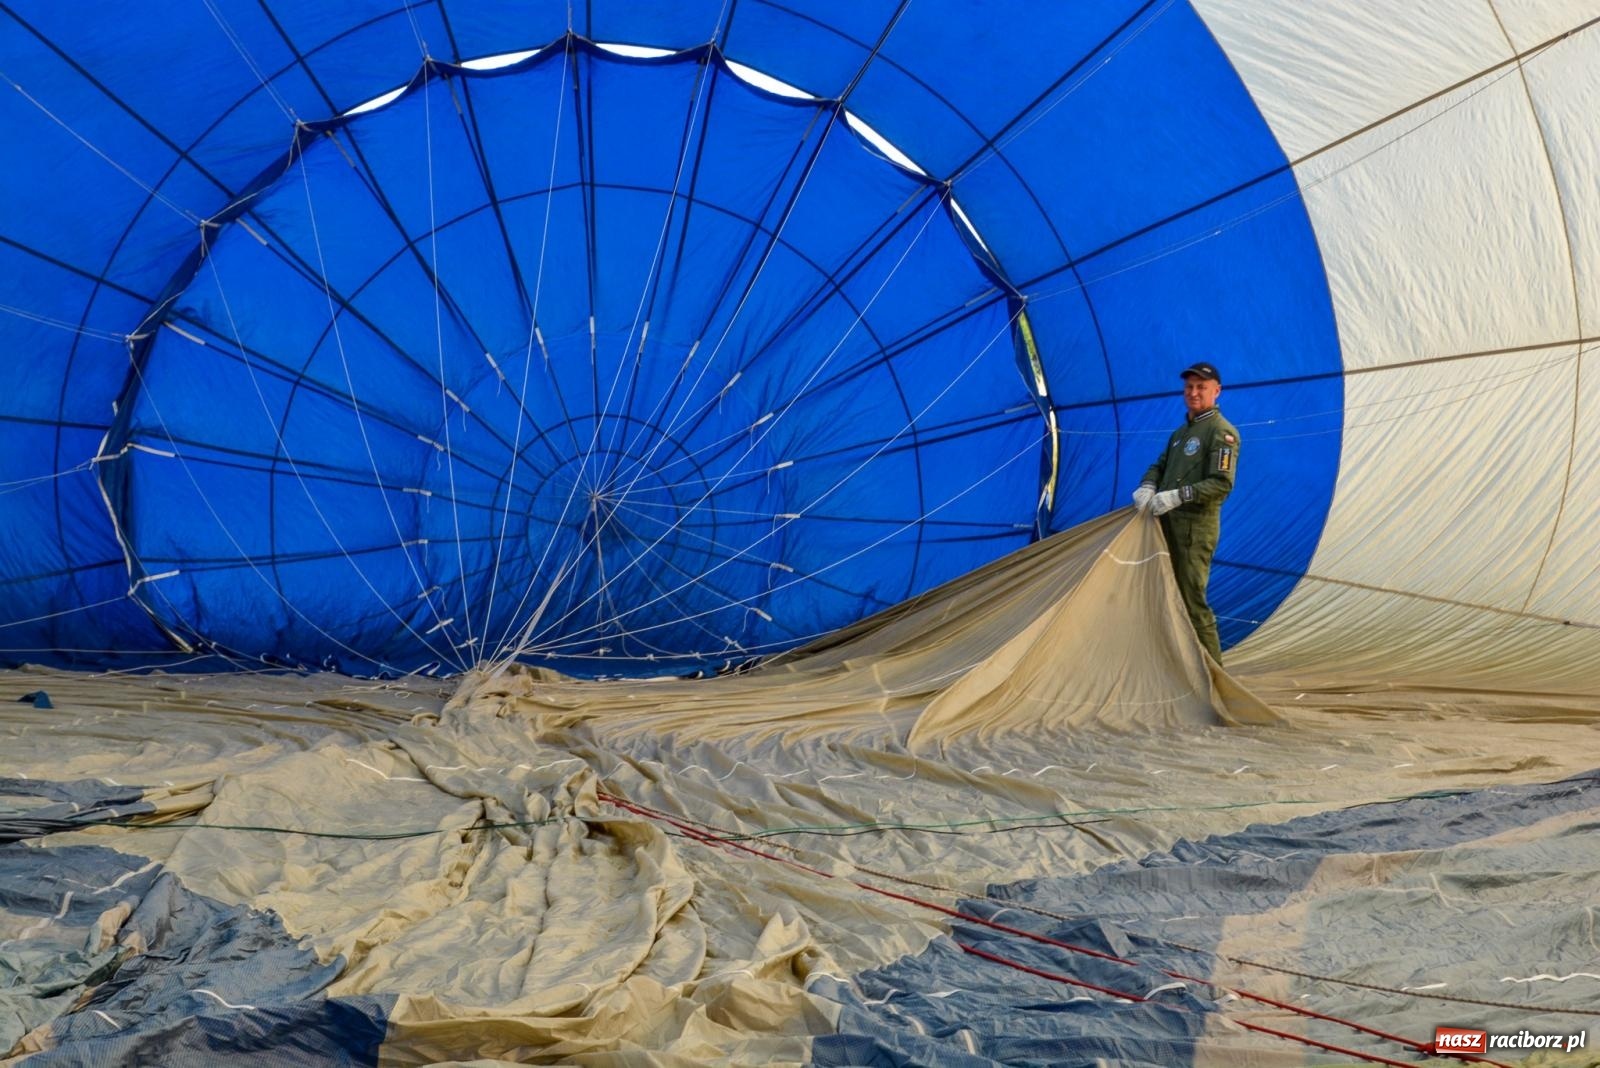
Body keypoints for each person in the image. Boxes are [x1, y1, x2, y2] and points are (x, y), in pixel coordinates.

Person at [1131, 362, 1239, 662]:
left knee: (1192, 603)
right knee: (1163, 596)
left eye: (1201, 387)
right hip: (1165, 526)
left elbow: (1221, 484)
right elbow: (1159, 465)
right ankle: (1178, 667)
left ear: (1216, 391)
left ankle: (1214, 676)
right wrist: (1148, 485)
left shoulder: (1222, 432)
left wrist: (1179, 495)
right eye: (1189, 387)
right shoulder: (1181, 433)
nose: (1193, 392)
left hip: (1194, 532)